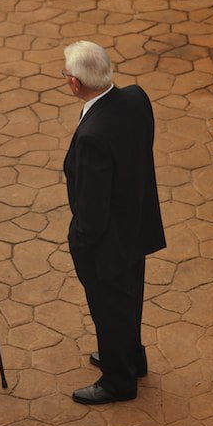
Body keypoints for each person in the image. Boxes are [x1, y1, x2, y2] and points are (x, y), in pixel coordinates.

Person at [61, 41, 166, 404]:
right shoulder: (136, 98)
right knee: (128, 298)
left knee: (108, 307)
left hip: (108, 240)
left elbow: (91, 210)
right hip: (136, 225)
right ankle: (130, 357)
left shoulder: (92, 137)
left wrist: (80, 240)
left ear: (75, 83)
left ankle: (118, 380)